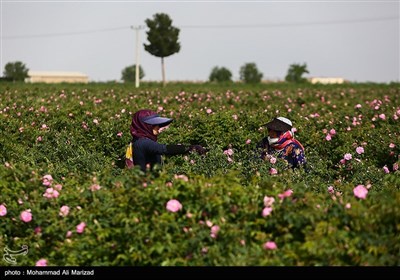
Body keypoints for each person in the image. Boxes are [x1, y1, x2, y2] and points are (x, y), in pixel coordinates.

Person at [126, 109, 206, 172]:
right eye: (154, 125)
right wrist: (191, 148)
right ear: (145, 126)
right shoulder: (143, 142)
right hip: (146, 185)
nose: (158, 127)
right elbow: (164, 149)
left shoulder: (138, 140)